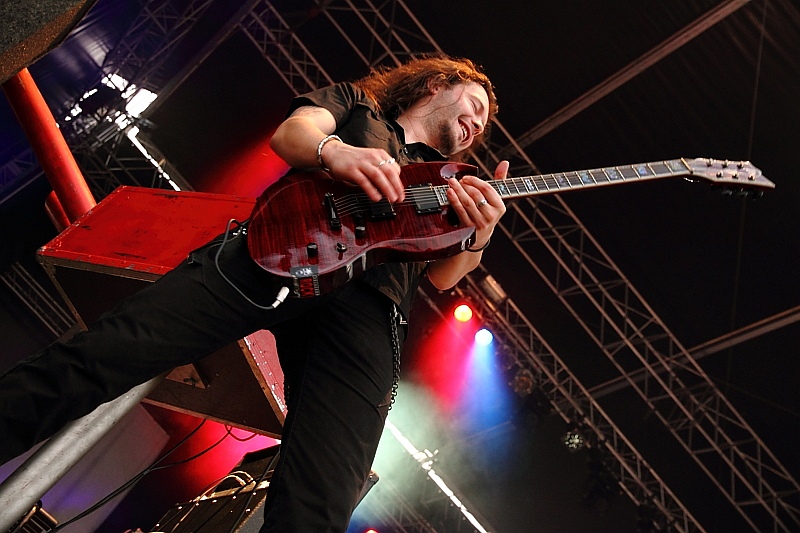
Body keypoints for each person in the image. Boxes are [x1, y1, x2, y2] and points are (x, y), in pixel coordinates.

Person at [0, 54, 508, 532]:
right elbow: (293, 134)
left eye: (482, 125)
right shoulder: (358, 105)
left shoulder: (453, 183)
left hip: (370, 312)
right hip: (274, 250)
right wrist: (336, 150)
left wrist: (481, 232)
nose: (476, 125)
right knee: (107, 354)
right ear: (437, 84)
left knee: (321, 501)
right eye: (475, 106)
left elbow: (443, 277)